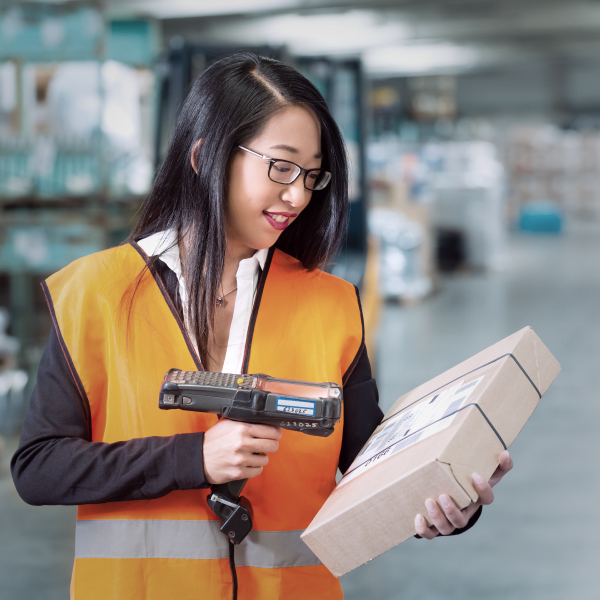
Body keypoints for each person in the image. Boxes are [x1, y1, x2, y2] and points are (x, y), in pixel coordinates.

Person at [11, 53, 512, 600]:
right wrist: (192, 459)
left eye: (312, 174)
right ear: (206, 157)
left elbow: (373, 469)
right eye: (281, 166)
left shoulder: (330, 305)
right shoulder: (95, 295)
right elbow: (39, 468)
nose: (297, 195)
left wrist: (445, 499)